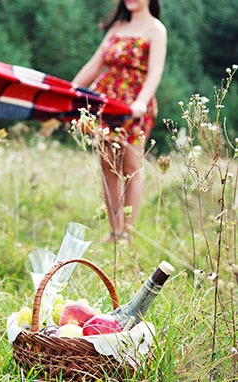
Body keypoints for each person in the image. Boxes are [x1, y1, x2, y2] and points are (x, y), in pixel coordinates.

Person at [72, 0, 167, 243]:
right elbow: (94, 65)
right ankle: (114, 230)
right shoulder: (117, 28)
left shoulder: (156, 29)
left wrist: (141, 103)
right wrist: (70, 91)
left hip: (134, 105)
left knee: (130, 167)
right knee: (107, 166)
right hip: (107, 104)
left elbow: (155, 71)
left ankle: (128, 233)